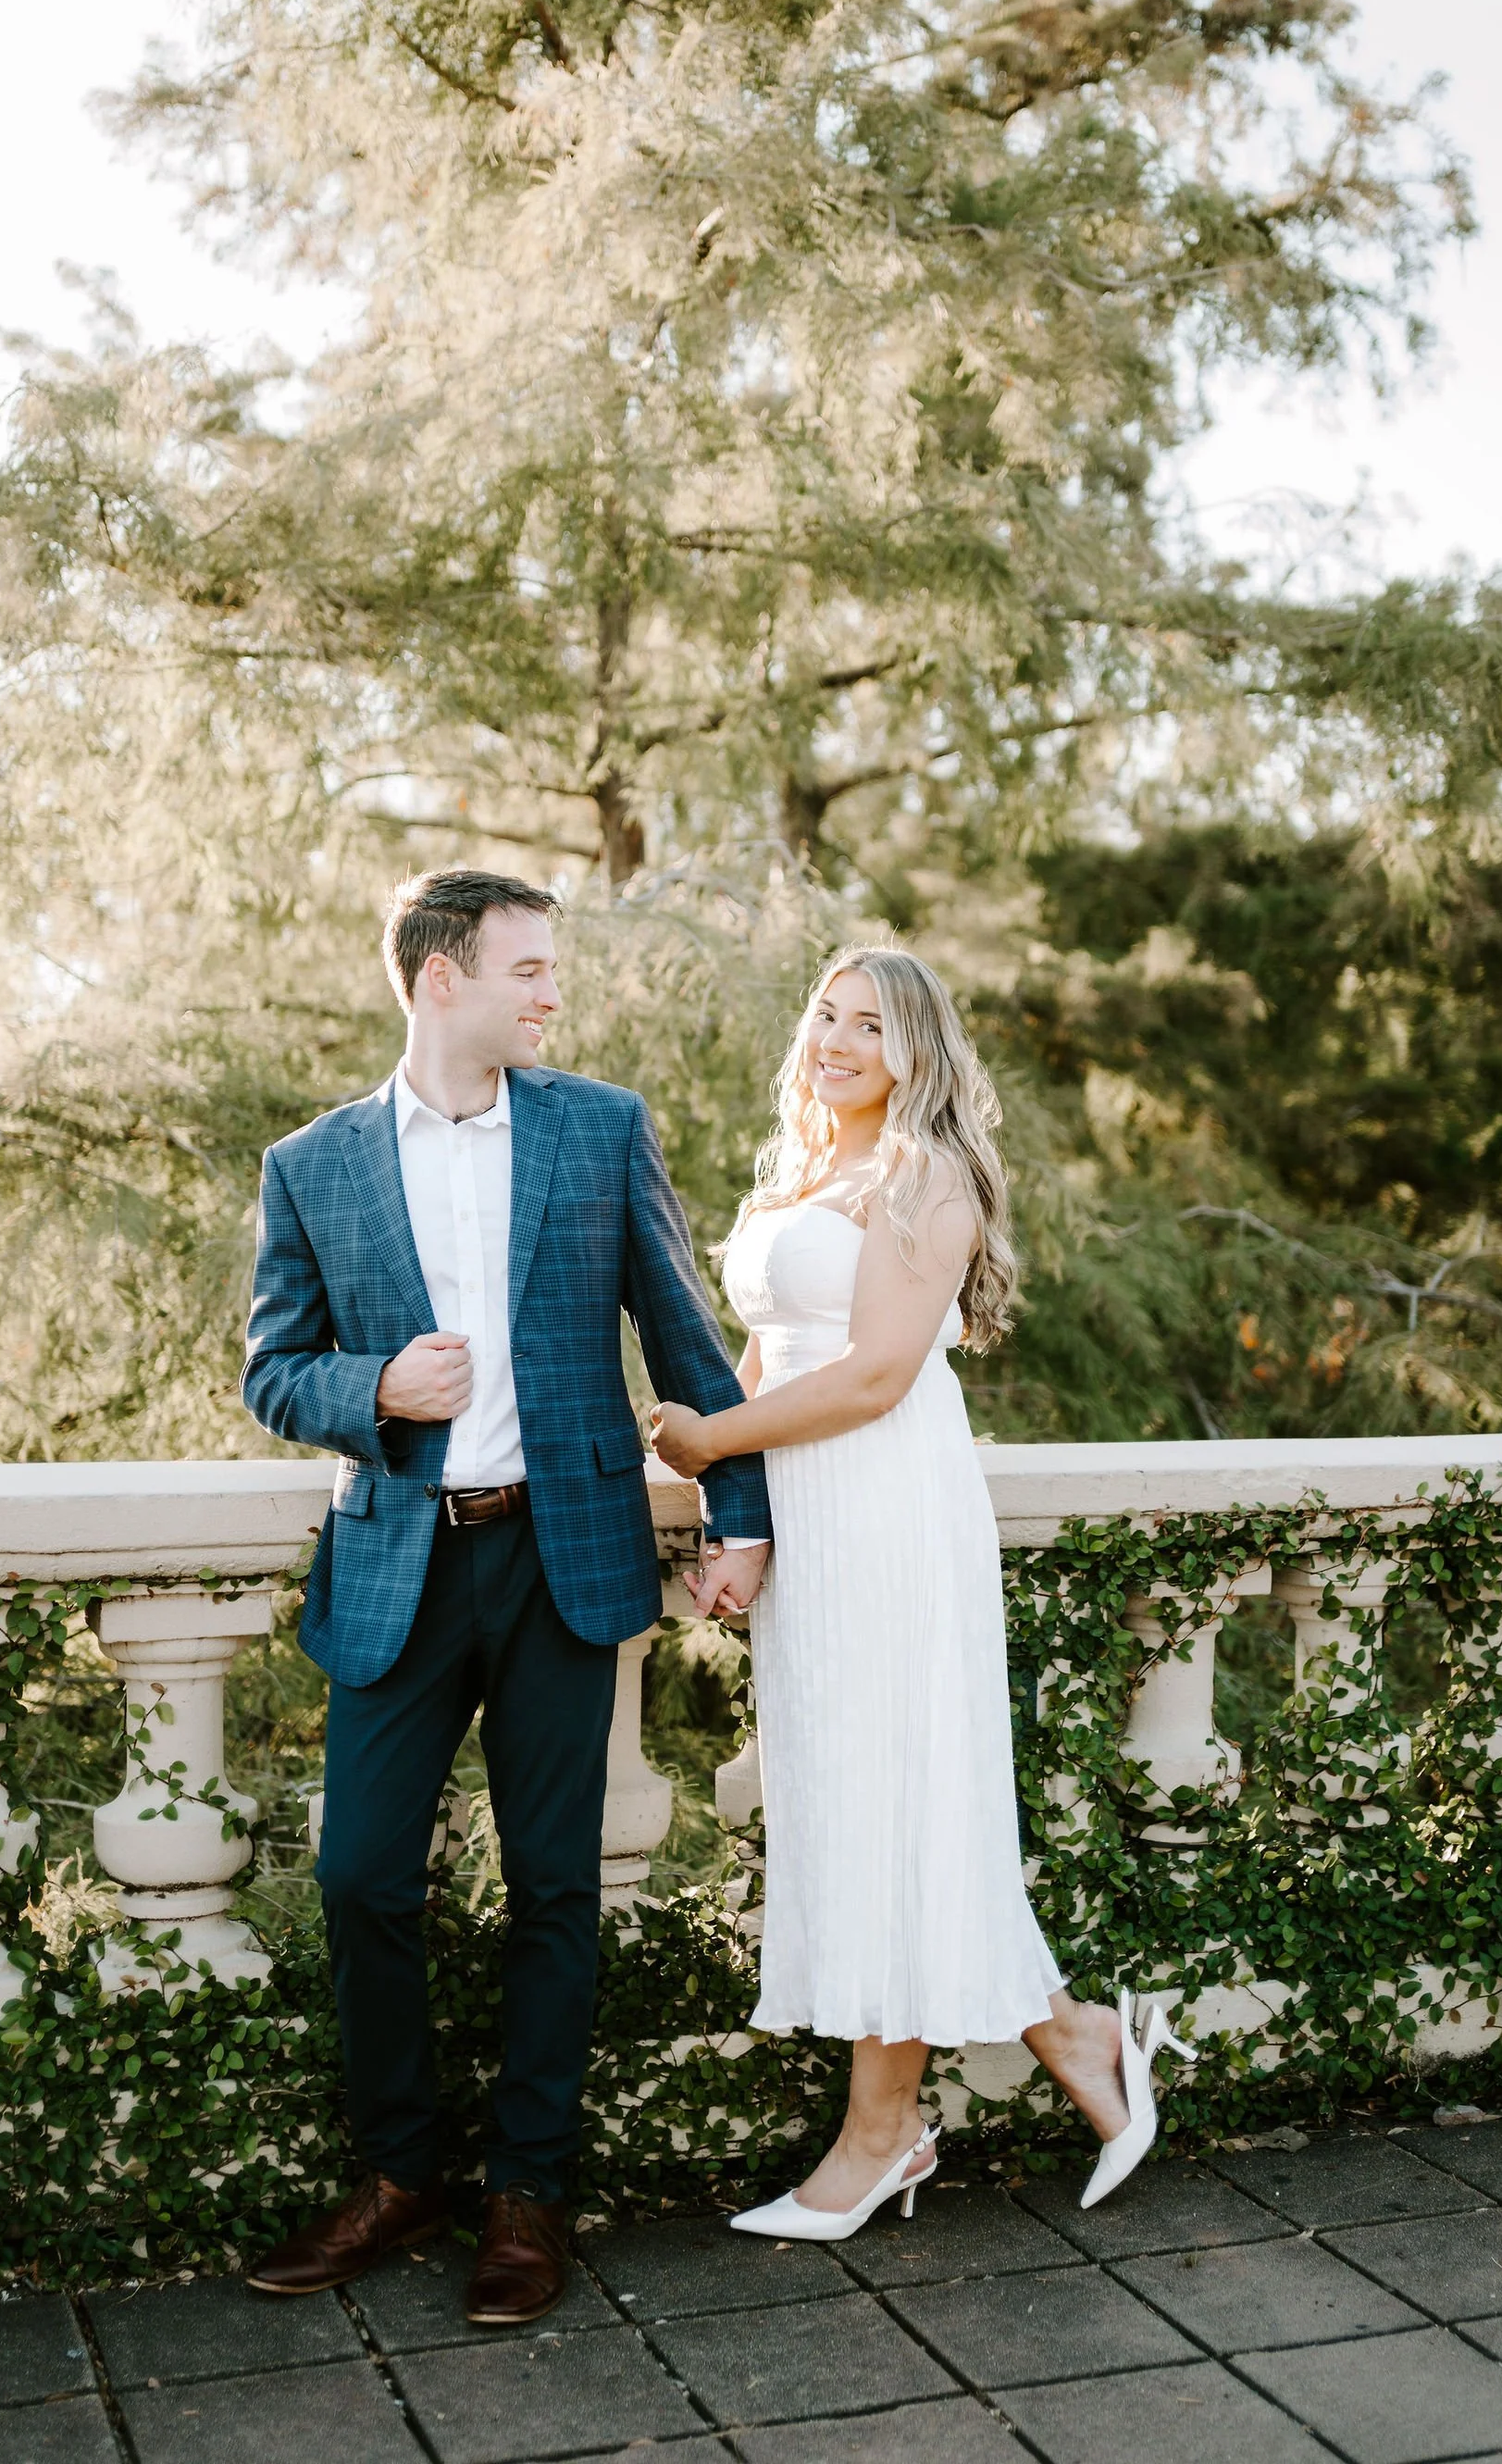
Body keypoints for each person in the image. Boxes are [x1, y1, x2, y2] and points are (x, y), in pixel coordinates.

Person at [240, 870, 770, 2318]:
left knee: (555, 1888)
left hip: (564, 1557)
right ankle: (403, 2178)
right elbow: (272, 1372)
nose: (553, 994)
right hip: (401, 1559)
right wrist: (378, 1389)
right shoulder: (315, 1164)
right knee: (359, 1881)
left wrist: (742, 1513)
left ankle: (528, 2195)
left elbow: (685, 1337)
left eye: (553, 971)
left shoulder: (601, 1131)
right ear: (438, 981)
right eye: (527, 969)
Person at [652, 945, 1191, 2238]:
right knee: (849, 1799)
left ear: (917, 1056)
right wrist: (743, 1522)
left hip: (888, 1504)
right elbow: (767, 1357)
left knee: (894, 1804)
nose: (838, 1040)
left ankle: (885, 2135)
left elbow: (878, 1374)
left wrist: (714, 1445)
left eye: (872, 1026)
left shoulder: (924, 1175)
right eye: (827, 1015)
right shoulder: (799, 1172)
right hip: (813, 1520)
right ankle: (1076, 2039)